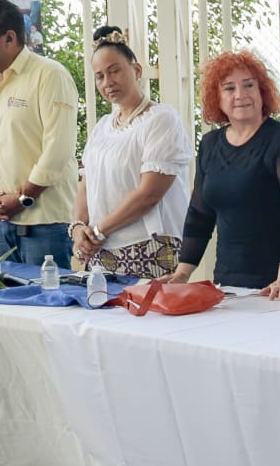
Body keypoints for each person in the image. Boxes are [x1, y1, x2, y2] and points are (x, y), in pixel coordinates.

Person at [167, 51, 280, 299]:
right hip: (230, 279)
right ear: (217, 98)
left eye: (248, 85)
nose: (240, 95)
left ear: (263, 91)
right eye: (229, 88)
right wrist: (181, 274)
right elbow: (200, 215)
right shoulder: (209, 144)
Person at [0, 0, 79, 267]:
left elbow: (58, 148)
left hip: (45, 223)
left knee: (46, 295)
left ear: (9, 38)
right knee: (1, 295)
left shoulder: (50, 75)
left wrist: (24, 198)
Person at [70, 26, 192, 279]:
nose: (107, 82)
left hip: (150, 248)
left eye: (114, 71)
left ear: (136, 70)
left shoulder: (161, 119)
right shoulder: (103, 126)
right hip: (101, 250)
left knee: (149, 306)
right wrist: (79, 227)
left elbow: (149, 194)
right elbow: (86, 184)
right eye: (99, 76)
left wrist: (98, 231)